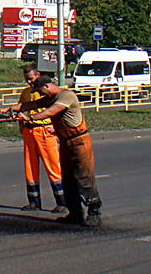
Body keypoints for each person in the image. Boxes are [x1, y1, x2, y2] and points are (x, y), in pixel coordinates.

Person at [15, 74, 102, 227]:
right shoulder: (50, 98)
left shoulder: (66, 96)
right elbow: (29, 105)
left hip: (79, 142)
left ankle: (94, 213)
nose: (41, 95)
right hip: (65, 143)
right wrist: (8, 109)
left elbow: (51, 112)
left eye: (42, 91)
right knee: (67, 180)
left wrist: (31, 119)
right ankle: (75, 214)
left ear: (47, 86)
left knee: (84, 178)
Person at [14, 65, 66, 213]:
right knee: (30, 168)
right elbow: (22, 108)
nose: (29, 83)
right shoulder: (26, 93)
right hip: (29, 132)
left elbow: (57, 110)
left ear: (38, 75)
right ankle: (34, 201)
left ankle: (62, 202)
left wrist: (55, 129)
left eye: (31, 79)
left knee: (53, 168)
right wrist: (21, 126)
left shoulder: (49, 92)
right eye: (27, 80)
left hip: (45, 131)